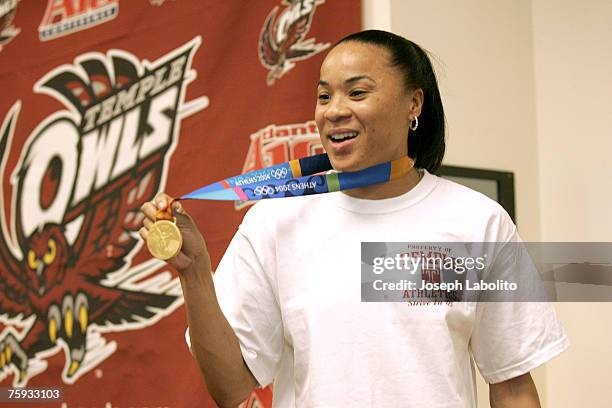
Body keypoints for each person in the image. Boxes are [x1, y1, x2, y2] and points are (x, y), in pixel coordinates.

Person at [140, 30, 568, 408]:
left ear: (413, 103)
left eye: (357, 93)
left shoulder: (477, 222)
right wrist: (195, 272)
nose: (333, 111)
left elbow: (512, 387)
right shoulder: (275, 220)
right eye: (324, 96)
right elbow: (230, 388)